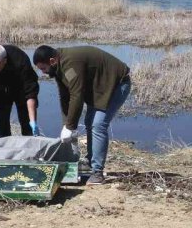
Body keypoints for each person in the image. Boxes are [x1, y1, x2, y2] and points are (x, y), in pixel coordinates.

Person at [32, 45, 132, 185]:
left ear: (52, 61)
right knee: (89, 121)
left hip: (117, 84)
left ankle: (98, 173)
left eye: (43, 68)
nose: (43, 72)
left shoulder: (70, 65)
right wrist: (66, 125)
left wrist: (70, 126)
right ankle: (90, 162)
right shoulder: (59, 67)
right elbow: (65, 96)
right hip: (99, 87)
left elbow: (76, 95)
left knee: (98, 125)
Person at [0, 43, 41, 139]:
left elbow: (30, 93)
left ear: (4, 61)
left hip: (20, 88)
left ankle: (30, 142)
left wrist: (33, 121)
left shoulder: (20, 60)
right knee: (2, 122)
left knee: (26, 122)